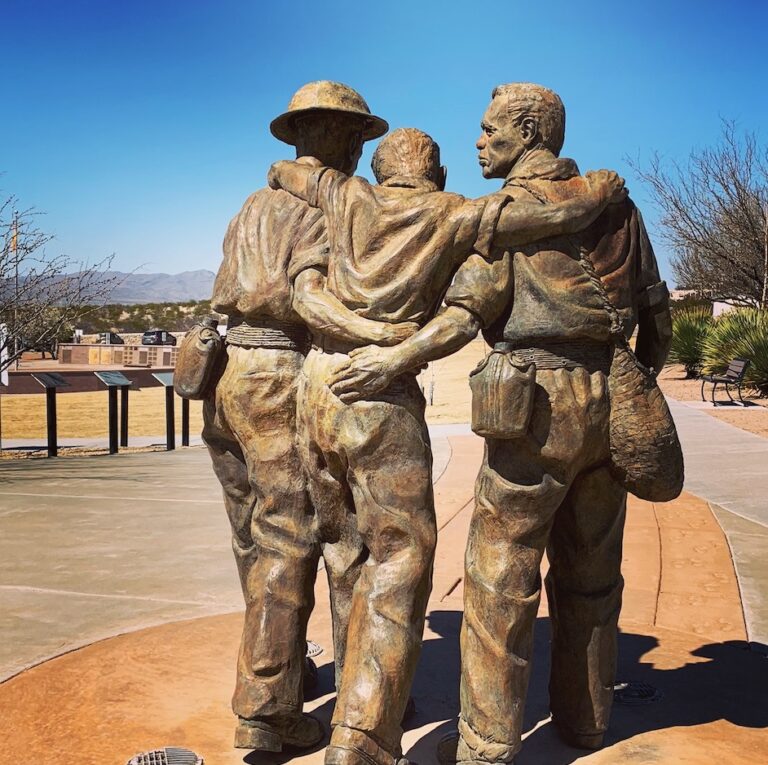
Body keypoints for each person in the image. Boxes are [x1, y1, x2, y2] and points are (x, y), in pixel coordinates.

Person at [329, 84, 672, 765]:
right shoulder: (620, 208)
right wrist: (637, 385)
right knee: (593, 572)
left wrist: (390, 358)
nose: (479, 143)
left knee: (498, 576)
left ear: (530, 132)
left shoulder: (505, 217)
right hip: (611, 398)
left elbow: (463, 318)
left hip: (533, 409)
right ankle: (587, 719)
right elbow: (655, 314)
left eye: (490, 131)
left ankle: (487, 743)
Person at [267, 126, 626, 765]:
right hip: (383, 390)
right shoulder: (455, 212)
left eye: (489, 130)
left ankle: (375, 701)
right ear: (431, 171)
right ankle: (364, 736)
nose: (480, 141)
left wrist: (291, 175)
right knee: (404, 557)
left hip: (318, 385)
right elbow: (542, 231)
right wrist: (595, 193)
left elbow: (285, 176)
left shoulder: (343, 194)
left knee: (345, 547)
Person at [202, 80, 407, 753]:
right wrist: (385, 343)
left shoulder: (251, 205)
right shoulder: (328, 207)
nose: (355, 148)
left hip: (229, 378)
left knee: (259, 537)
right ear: (328, 136)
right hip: (277, 375)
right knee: (295, 539)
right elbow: (307, 299)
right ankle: (268, 707)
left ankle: (281, 674)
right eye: (351, 136)